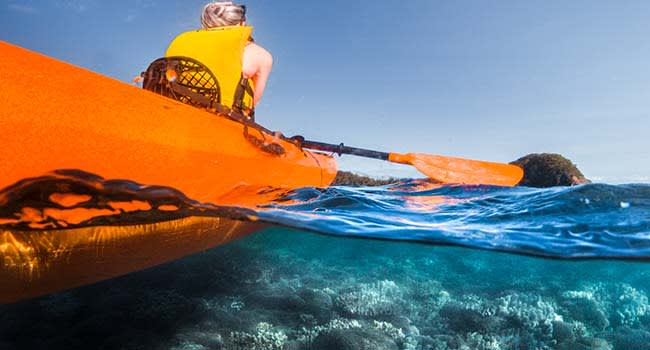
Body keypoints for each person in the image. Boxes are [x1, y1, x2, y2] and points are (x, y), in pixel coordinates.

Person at [201, 1, 273, 107]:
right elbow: (253, 102)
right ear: (241, 24)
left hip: (183, 103)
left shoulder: (185, 41)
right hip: (226, 114)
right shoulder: (260, 55)